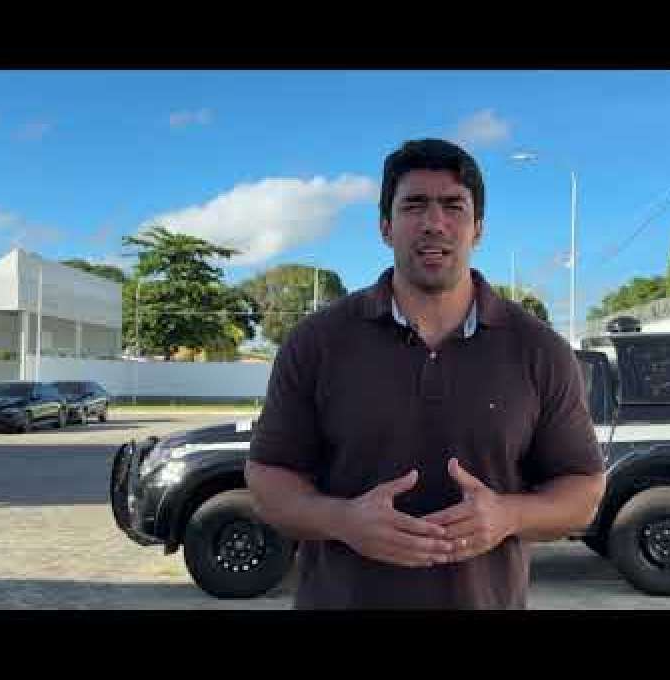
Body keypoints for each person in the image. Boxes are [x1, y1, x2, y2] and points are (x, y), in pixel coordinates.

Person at [245, 138, 606, 609]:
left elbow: (583, 492)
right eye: (414, 205)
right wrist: (343, 520)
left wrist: (508, 515)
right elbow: (268, 478)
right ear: (385, 227)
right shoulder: (317, 343)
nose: (434, 223)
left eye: (454, 206)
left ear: (478, 229)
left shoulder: (539, 350)